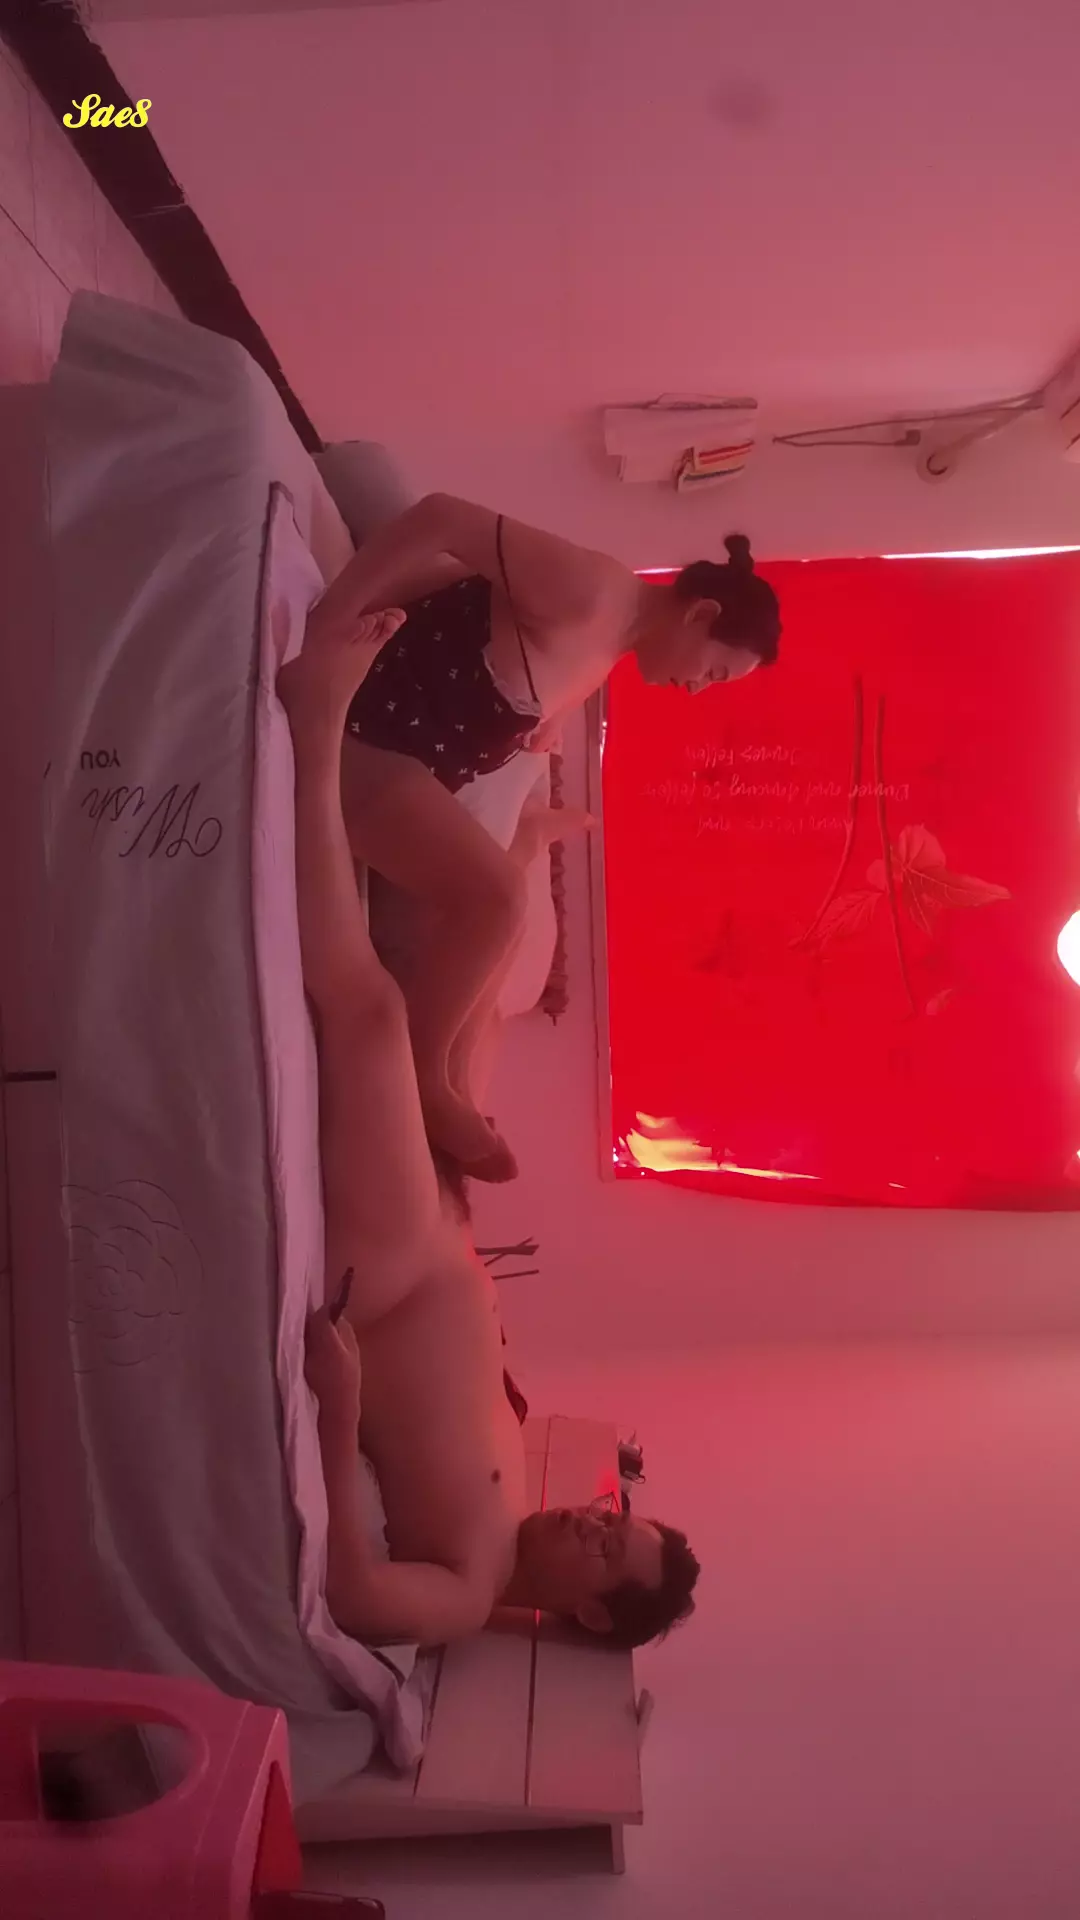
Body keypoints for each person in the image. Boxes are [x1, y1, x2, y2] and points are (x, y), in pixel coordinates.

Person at [278, 606, 700, 1651]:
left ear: (587, 1611)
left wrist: (337, 1407)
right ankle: (507, 849)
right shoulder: (510, 1500)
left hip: (382, 1275)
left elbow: (355, 1596)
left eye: (605, 1550)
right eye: (613, 1520)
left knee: (374, 1018)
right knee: (471, 1032)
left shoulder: (468, 1589)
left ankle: (318, 726)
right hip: (440, 1239)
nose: (591, 1523)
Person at [310, 495, 782, 1181]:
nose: (697, 689)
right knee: (498, 900)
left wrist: (543, 723)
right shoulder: (591, 590)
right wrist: (331, 619)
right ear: (701, 613)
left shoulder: (605, 646)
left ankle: (449, 1087)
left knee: (495, 953)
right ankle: (424, 1077)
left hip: (402, 765)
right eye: (714, 671)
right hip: (362, 740)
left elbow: (467, 589)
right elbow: (441, 519)